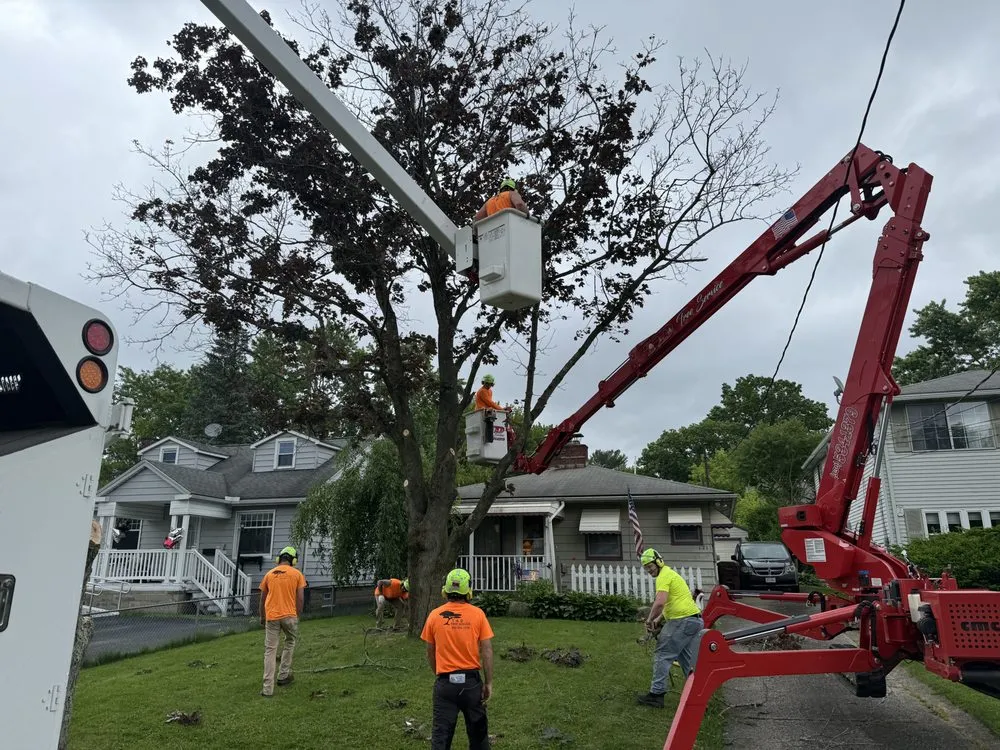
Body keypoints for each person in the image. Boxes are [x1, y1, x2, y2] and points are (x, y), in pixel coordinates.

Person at [420, 568, 494, 750]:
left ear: (446, 590)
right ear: (468, 589)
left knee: (441, 737)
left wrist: (440, 674)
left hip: (445, 685)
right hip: (471, 685)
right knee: (479, 737)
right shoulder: (478, 614)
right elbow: (487, 651)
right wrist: (488, 683)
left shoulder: (434, 615)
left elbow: (430, 652)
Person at [636, 547, 704, 708]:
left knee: (662, 654)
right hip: (693, 620)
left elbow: (660, 602)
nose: (649, 570)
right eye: (646, 568)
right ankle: (698, 694)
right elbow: (671, 603)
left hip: (682, 621)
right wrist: (658, 619)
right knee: (686, 659)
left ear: (658, 562)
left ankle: (656, 695)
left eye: (650, 566)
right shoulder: (670, 574)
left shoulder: (663, 576)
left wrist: (649, 619)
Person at [258, 546, 307, 697]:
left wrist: (262, 616)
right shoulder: (297, 574)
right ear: (294, 561)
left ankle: (267, 689)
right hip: (290, 616)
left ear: (279, 559)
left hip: (272, 617)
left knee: (270, 650)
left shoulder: (269, 574)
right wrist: (297, 615)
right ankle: (283, 675)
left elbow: (262, 598)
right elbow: (300, 598)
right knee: (290, 642)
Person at [474, 374, 512, 444]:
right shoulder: (482, 391)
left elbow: (490, 403)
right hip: (480, 411)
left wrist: (501, 409)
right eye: (487, 383)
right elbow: (490, 403)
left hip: (487, 411)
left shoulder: (490, 391)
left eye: (490, 384)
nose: (488, 385)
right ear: (484, 382)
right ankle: (488, 438)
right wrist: (502, 410)